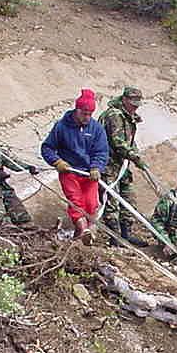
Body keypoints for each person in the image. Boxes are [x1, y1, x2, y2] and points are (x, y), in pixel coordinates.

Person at [41, 89, 109, 244]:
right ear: (76, 110)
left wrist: (96, 167)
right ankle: (84, 229)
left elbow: (101, 151)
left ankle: (84, 235)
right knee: (75, 201)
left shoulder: (96, 129)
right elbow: (47, 148)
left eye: (90, 114)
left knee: (91, 204)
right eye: (84, 113)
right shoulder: (61, 127)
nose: (87, 117)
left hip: (89, 173)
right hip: (69, 171)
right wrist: (57, 161)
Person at [99, 86, 150, 247]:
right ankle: (114, 237)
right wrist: (135, 158)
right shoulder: (114, 115)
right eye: (132, 103)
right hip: (108, 164)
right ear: (124, 100)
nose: (135, 107)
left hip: (122, 165)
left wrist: (135, 152)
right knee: (111, 200)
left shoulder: (129, 117)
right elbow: (118, 142)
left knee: (129, 199)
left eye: (137, 104)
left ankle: (126, 234)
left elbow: (128, 141)